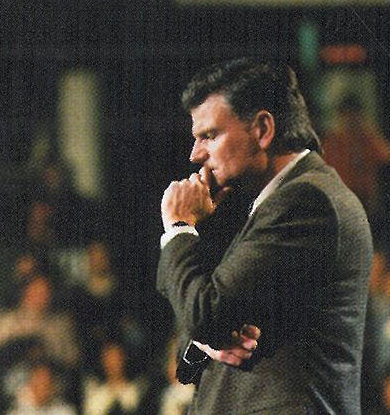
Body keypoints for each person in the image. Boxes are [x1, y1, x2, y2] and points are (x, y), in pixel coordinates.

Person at [156, 57, 373, 414]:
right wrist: (205, 341)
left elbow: (203, 314)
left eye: (209, 135)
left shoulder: (306, 201)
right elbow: (192, 343)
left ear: (262, 129)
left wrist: (179, 225)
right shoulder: (279, 201)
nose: (195, 154)